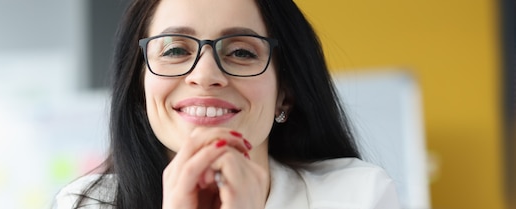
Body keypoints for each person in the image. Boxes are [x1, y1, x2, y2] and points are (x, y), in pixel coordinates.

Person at [55, 0, 400, 208]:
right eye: (175, 50)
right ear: (139, 88)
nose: (205, 76)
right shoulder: (85, 204)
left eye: (241, 52)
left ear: (286, 92)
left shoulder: (357, 197)